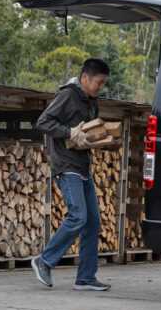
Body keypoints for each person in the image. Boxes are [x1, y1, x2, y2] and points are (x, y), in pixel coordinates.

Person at [31, 58, 111, 291]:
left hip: (82, 165)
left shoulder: (91, 100)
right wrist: (69, 132)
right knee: (78, 216)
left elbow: (87, 130)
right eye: (99, 82)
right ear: (85, 78)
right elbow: (43, 122)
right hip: (66, 165)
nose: (100, 87)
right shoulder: (68, 95)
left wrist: (100, 139)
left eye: (103, 83)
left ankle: (85, 278)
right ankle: (44, 260)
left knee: (93, 223)